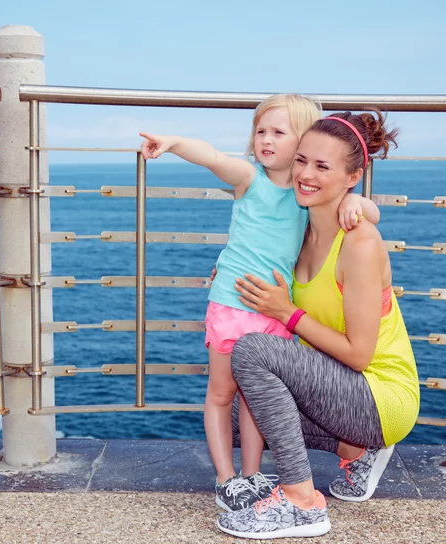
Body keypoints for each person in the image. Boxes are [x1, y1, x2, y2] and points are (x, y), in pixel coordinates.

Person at [139, 95, 380, 512]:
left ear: (302, 141)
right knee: (220, 395)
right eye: (261, 130)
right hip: (233, 305)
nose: (266, 139)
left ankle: (251, 475)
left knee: (254, 400)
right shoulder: (250, 177)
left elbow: (368, 211)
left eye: (279, 132)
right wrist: (174, 141)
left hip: (273, 312)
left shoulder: (308, 196)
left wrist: (359, 203)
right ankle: (225, 478)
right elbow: (212, 157)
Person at [216, 110, 420, 539]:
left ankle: (301, 502)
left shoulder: (360, 243)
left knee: (251, 351)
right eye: (301, 160)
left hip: (379, 395)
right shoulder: (301, 229)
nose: (306, 175)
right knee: (237, 414)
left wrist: (286, 313)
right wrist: (229, 275)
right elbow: (258, 247)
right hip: (340, 387)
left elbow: (360, 355)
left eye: (323, 166)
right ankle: (354, 449)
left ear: (353, 177)